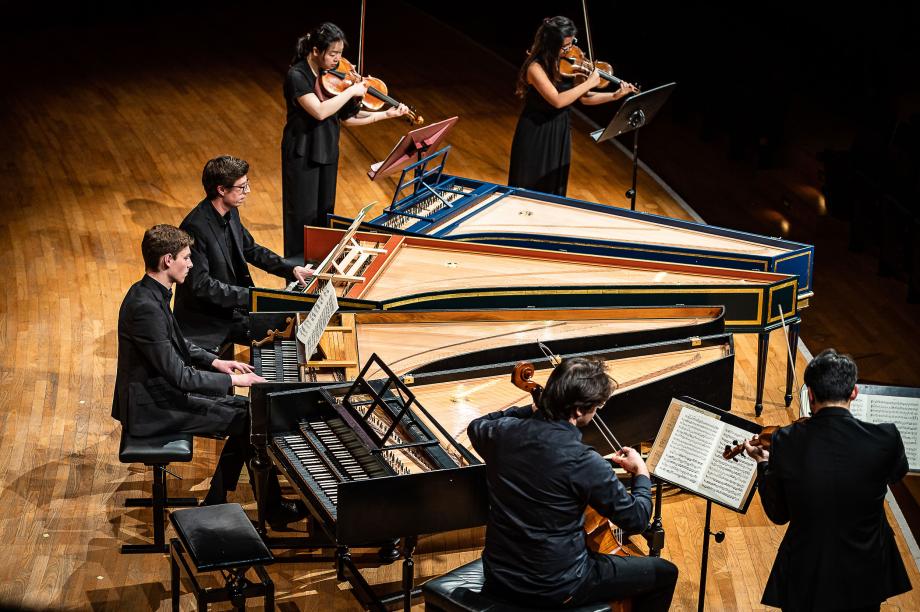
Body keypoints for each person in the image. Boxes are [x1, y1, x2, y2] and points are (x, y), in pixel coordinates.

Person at [112, 224, 304, 525]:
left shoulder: (151, 292)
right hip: (152, 407)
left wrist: (217, 363)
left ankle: (221, 499)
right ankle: (263, 509)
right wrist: (234, 381)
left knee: (250, 413)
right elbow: (181, 377)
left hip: (159, 393)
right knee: (251, 416)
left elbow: (177, 342)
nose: (191, 264)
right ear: (167, 261)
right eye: (186, 258)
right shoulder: (145, 306)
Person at [467, 357, 677, 611]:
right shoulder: (584, 462)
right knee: (664, 572)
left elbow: (477, 425)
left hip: (499, 576)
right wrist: (641, 474)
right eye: (596, 406)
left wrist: (532, 409)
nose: (597, 411)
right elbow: (637, 519)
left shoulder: (500, 434)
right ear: (578, 411)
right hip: (557, 587)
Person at [742, 349, 912, 611]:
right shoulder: (886, 438)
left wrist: (763, 463)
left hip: (806, 571)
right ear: (854, 392)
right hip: (866, 570)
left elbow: (778, 514)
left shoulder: (786, 441)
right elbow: (897, 473)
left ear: (810, 394)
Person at [281, 22, 409, 258]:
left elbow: (346, 118)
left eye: (339, 54)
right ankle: (296, 275)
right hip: (302, 154)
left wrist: (384, 114)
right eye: (332, 54)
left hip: (327, 150)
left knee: (324, 216)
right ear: (316, 51)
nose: (337, 60)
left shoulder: (332, 76)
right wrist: (351, 92)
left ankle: (321, 269)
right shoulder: (297, 75)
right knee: (301, 218)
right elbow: (320, 111)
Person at [174, 155, 312, 353]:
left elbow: (250, 249)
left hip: (232, 307)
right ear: (221, 190)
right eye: (242, 187)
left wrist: (291, 269)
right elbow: (202, 286)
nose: (248, 191)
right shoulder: (195, 228)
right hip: (208, 319)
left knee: (290, 325)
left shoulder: (230, 212)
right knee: (284, 334)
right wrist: (253, 296)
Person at [507, 16, 637, 196]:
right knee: (527, 189)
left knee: (553, 191)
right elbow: (558, 100)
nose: (569, 50)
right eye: (564, 46)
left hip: (559, 131)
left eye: (571, 43)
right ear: (550, 44)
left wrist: (615, 96)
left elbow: (584, 97)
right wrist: (589, 82)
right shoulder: (534, 68)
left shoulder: (572, 61)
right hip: (536, 132)